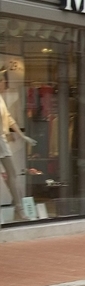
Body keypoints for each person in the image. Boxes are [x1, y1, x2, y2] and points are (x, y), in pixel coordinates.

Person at [0, 66, 37, 221]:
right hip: (1, 140)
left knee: (12, 175)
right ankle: (20, 209)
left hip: (1, 140)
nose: (5, 84)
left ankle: (19, 209)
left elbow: (9, 119)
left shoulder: (1, 99)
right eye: (3, 81)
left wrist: (22, 135)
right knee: (12, 175)